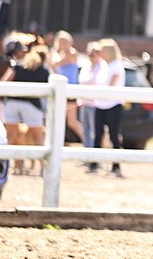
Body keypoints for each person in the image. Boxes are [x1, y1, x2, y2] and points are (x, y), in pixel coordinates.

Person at [0, 41, 50, 175]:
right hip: (31, 105)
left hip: (13, 103)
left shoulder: (18, 67)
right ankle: (43, 167)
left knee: (12, 137)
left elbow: (5, 81)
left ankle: (14, 166)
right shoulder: (43, 71)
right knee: (38, 138)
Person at [84, 38, 125, 176]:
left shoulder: (116, 65)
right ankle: (95, 163)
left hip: (113, 104)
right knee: (97, 135)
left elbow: (111, 86)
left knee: (114, 135)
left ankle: (116, 165)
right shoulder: (104, 65)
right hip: (100, 104)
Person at [48, 31, 83, 142]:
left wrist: (52, 54)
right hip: (61, 89)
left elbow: (56, 63)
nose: (63, 44)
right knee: (66, 121)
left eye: (65, 42)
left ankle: (89, 142)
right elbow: (55, 69)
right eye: (61, 42)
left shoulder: (72, 53)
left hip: (70, 91)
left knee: (70, 122)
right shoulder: (60, 55)